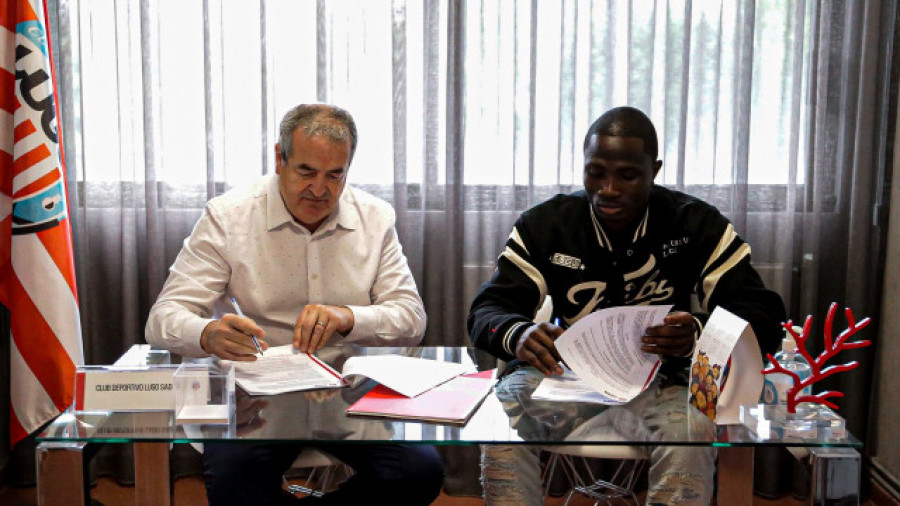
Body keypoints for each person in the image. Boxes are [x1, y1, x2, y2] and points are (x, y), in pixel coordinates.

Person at [468, 106, 786, 505]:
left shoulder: (696, 224)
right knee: (499, 417)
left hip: (668, 377)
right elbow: (488, 309)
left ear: (654, 170)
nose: (608, 188)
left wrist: (699, 331)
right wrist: (520, 334)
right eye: (595, 172)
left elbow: (761, 312)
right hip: (570, 376)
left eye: (627, 175)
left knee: (693, 426)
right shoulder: (546, 225)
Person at [146, 103, 444, 505]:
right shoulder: (228, 217)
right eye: (306, 171)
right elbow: (163, 319)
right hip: (257, 397)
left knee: (418, 473)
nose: (319, 190)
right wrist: (209, 333)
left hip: (348, 390)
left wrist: (347, 317)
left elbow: (411, 318)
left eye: (334, 175)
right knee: (235, 481)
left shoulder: (375, 218)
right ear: (279, 159)